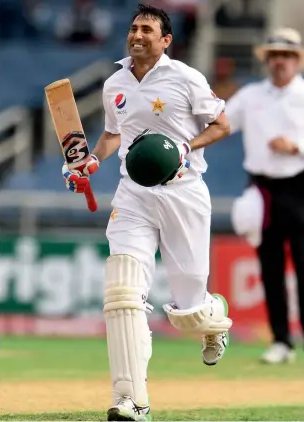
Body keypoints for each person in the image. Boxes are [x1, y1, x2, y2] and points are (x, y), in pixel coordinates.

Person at [62, 4, 232, 421]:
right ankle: (130, 400)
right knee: (121, 291)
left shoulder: (186, 78)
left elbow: (223, 125)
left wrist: (186, 148)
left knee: (188, 313)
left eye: (147, 29)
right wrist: (91, 161)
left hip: (184, 192)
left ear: (166, 40)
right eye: (134, 27)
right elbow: (112, 134)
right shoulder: (115, 83)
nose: (137, 35)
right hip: (133, 194)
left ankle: (212, 318)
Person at [226, 28, 304, 364]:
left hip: (301, 185)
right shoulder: (251, 95)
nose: (279, 62)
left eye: (285, 55)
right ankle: (281, 341)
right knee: (270, 267)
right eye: (274, 55)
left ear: (297, 60)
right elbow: (221, 123)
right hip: (263, 189)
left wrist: (297, 147)